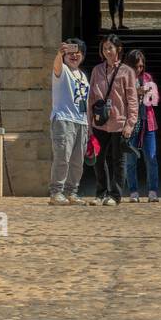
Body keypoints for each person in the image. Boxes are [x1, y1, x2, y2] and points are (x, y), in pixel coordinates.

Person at [88, 33, 138, 205]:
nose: (107, 51)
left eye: (110, 48)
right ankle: (100, 192)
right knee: (98, 158)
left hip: (119, 122)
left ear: (118, 49)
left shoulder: (127, 72)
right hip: (100, 122)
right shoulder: (97, 70)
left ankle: (115, 195)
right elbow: (91, 99)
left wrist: (130, 124)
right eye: (104, 48)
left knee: (119, 161)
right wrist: (89, 123)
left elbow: (132, 100)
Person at [49, 38, 90, 206]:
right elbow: (57, 66)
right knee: (62, 158)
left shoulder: (83, 76)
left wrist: (89, 125)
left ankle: (71, 192)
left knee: (77, 162)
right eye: (70, 53)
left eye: (77, 53)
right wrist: (59, 53)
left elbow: (85, 101)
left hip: (81, 121)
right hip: (63, 119)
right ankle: (56, 192)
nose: (74, 56)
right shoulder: (62, 70)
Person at [124, 49, 161, 204]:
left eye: (140, 66)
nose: (138, 69)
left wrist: (150, 94)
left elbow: (155, 101)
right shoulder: (123, 78)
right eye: (135, 66)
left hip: (148, 123)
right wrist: (135, 93)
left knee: (151, 158)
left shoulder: (147, 78)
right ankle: (133, 191)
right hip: (130, 125)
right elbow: (120, 101)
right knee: (130, 160)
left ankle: (153, 191)